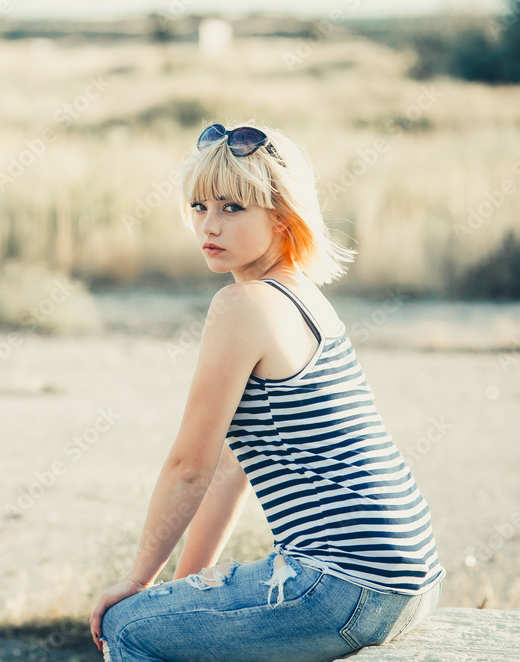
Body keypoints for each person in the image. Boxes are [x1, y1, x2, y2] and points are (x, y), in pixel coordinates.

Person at [89, 122, 445, 662]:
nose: (209, 225)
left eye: (233, 208)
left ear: (283, 215)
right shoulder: (305, 297)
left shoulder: (243, 306)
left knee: (127, 628)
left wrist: (138, 581)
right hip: (411, 582)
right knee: (156, 621)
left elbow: (190, 466)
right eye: (199, 207)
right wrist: (176, 595)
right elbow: (228, 474)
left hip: (341, 585)